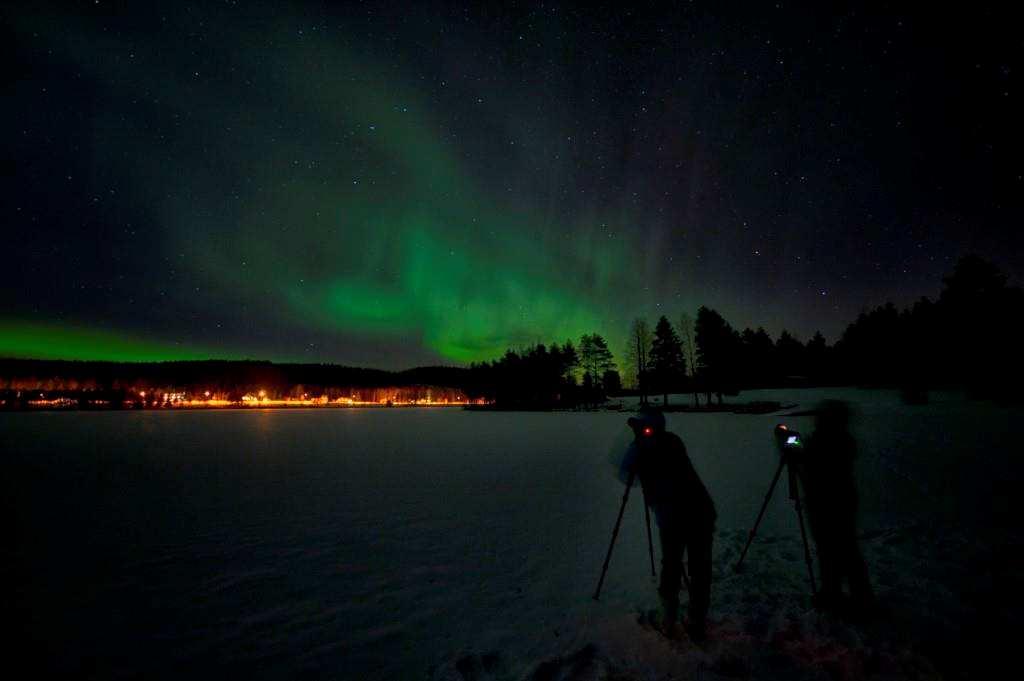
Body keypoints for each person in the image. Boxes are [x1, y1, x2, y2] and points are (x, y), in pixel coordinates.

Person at [619, 407, 717, 641]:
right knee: (700, 567)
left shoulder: (646, 448)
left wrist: (638, 445)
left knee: (673, 565)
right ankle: (696, 620)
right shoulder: (673, 441)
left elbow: (624, 473)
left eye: (642, 426)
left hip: (676, 517)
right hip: (701, 510)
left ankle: (670, 620)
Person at [797, 400, 874, 617]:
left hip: (829, 503)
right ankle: (838, 593)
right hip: (837, 501)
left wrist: (798, 453)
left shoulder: (829, 442)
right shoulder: (842, 441)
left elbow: (814, 468)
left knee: (842, 551)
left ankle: (856, 599)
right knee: (836, 550)